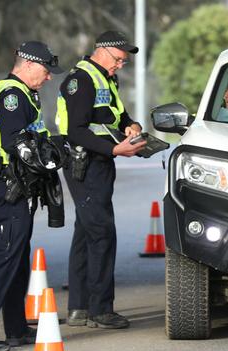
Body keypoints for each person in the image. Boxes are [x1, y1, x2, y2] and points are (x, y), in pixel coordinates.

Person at [0, 41, 64, 351]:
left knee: (17, 258)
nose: (48, 78)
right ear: (29, 65)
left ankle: (17, 329)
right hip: (6, 185)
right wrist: (49, 157)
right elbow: (17, 144)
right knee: (4, 257)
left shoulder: (24, 93)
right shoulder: (12, 96)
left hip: (15, 185)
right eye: (46, 71)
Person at [55, 30, 145, 330]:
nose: (120, 65)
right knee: (102, 233)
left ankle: (79, 307)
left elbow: (116, 116)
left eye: (123, 61)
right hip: (85, 163)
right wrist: (114, 148)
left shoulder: (106, 78)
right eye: (118, 59)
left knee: (86, 231)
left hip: (101, 162)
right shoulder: (80, 80)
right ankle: (100, 309)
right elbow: (76, 131)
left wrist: (132, 126)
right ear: (102, 51)